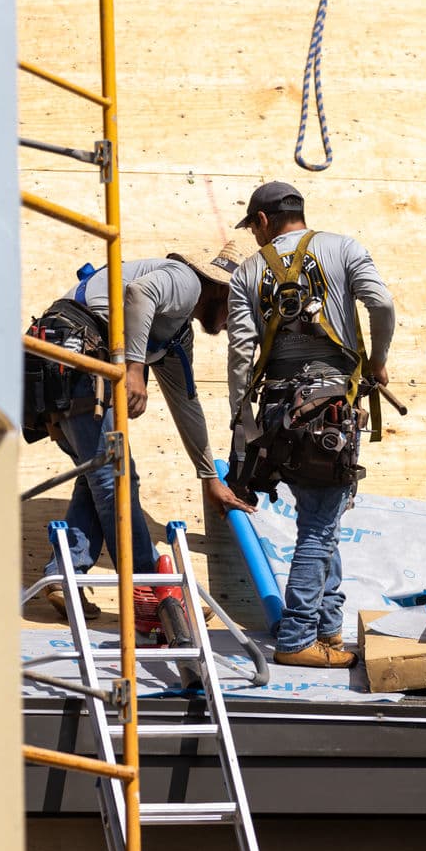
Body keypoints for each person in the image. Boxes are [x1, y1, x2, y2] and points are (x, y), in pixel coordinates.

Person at [37, 237, 255, 621]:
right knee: (117, 478)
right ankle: (153, 593)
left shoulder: (175, 333)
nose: (228, 325)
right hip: (73, 357)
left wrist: (208, 477)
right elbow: (139, 293)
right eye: (234, 310)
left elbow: (187, 407)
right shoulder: (186, 282)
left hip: (59, 363)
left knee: (99, 475)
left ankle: (63, 575)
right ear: (221, 291)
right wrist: (135, 368)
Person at [227, 182, 395, 668]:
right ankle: (298, 638)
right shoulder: (343, 247)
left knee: (321, 520)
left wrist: (241, 423)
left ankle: (328, 631)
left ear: (261, 221)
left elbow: (241, 355)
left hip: (279, 413)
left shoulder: (247, 273)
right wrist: (377, 360)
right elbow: (381, 304)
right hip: (332, 412)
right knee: (320, 526)